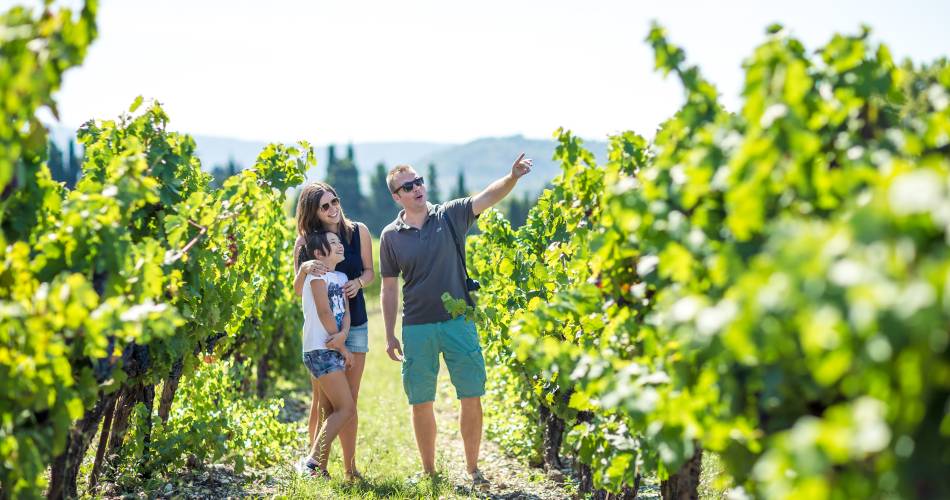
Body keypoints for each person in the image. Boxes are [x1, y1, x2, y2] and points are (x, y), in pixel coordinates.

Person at [379, 154, 532, 490]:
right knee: (420, 401)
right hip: (417, 326)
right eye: (408, 185)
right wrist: (389, 333)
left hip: (459, 322)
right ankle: (429, 471)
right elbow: (389, 288)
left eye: (419, 181)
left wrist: (512, 177)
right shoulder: (391, 236)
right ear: (396, 196)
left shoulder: (449, 215)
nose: (417, 187)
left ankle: (473, 468)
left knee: (471, 394)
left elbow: (487, 197)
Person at [293, 181, 375, 481]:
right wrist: (303, 269)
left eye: (334, 201)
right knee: (324, 401)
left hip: (355, 323)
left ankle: (350, 469)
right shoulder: (306, 243)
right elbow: (299, 290)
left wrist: (359, 283)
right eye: (324, 206)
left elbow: (369, 271)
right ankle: (316, 466)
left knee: (349, 400)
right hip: (324, 334)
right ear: (313, 212)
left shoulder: (358, 232)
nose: (332, 208)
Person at [295, 230, 355, 478]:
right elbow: (323, 312)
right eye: (333, 243)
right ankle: (311, 463)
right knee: (346, 408)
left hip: (333, 346)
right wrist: (341, 346)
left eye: (339, 241)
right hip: (320, 350)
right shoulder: (315, 277)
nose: (339, 245)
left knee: (332, 409)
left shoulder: (341, 276)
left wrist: (344, 335)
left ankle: (317, 466)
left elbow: (346, 312)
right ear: (319, 253)